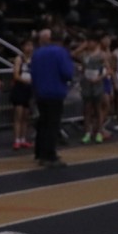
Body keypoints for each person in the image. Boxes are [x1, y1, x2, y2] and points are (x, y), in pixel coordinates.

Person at [30, 27, 74, 167]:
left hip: (40, 92)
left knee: (42, 123)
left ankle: (40, 153)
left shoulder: (37, 53)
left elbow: (33, 73)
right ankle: (50, 155)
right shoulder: (60, 52)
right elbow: (67, 73)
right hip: (55, 91)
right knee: (52, 125)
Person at [10, 37, 34, 150]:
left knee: (26, 116)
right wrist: (26, 81)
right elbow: (15, 75)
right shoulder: (19, 59)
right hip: (20, 88)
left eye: (31, 45)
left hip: (29, 89)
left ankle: (23, 138)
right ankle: (17, 139)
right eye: (27, 45)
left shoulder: (33, 59)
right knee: (18, 115)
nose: (29, 48)